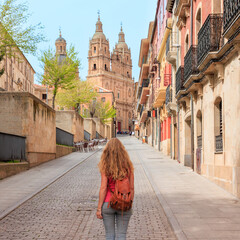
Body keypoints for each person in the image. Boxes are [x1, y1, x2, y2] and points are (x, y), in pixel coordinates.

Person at [96, 138, 134, 240]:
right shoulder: (128, 166)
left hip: (108, 203)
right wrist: (129, 202)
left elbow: (103, 188)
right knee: (122, 235)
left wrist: (99, 208)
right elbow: (132, 187)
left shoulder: (106, 166)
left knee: (109, 235)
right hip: (124, 203)